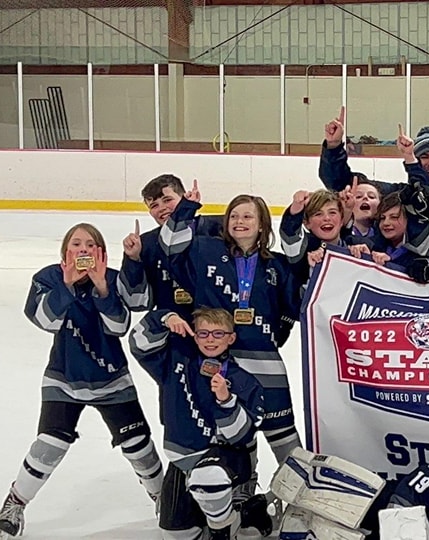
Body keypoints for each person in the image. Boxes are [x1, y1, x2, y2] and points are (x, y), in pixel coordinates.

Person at [0, 224, 164, 538]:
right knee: (49, 445)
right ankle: (15, 502)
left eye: (91, 244)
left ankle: (163, 499)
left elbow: (119, 326)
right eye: (76, 244)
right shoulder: (47, 277)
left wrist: (102, 290)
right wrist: (67, 286)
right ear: (66, 251)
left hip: (112, 379)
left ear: (101, 251)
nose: (83, 249)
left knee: (139, 445)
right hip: (64, 378)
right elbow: (46, 321)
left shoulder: (113, 279)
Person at [159, 189, 304, 469]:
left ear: (261, 224)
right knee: (236, 436)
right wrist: (187, 207)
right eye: (234, 216)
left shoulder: (276, 265)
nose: (240, 221)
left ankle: (300, 497)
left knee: (284, 436)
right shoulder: (205, 250)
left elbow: (295, 308)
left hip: (267, 365)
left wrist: (276, 335)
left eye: (248, 216)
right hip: (221, 365)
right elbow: (170, 250)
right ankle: (243, 498)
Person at [130, 307, 271, 540]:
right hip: (183, 460)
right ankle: (220, 514)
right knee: (175, 534)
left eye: (218, 334)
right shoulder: (174, 362)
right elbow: (138, 343)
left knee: (209, 476)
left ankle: (224, 526)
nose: (210, 340)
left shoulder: (242, 379)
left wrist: (226, 401)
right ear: (194, 335)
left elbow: (243, 437)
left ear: (231, 338)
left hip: (227, 458)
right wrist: (165, 318)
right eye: (203, 333)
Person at [119, 174, 223, 317]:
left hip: (216, 332)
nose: (161, 208)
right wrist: (133, 260)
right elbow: (138, 302)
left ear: (183, 199)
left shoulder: (217, 230)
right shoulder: (146, 244)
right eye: (154, 206)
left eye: (167, 200)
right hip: (173, 329)